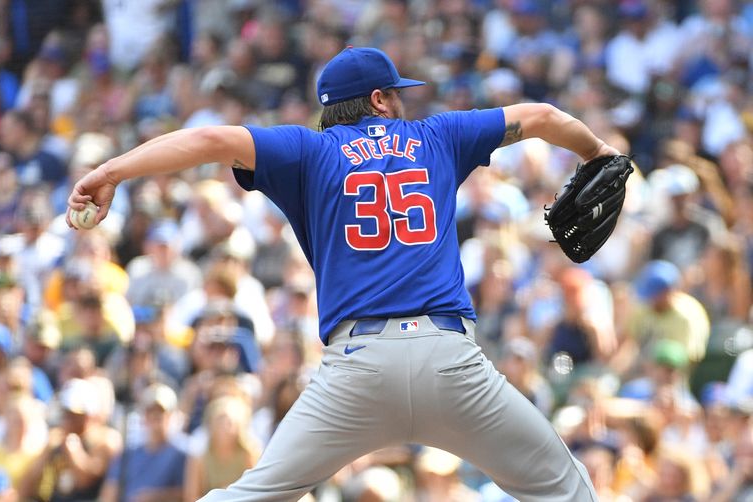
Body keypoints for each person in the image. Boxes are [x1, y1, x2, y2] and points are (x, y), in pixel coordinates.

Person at [68, 46, 621, 501]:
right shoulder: (438, 136)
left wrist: (111, 170)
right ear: (379, 99)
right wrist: (597, 152)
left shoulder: (306, 149)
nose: (403, 103)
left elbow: (209, 140)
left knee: (251, 496)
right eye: (396, 94)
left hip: (356, 371)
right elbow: (544, 117)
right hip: (451, 363)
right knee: (568, 492)